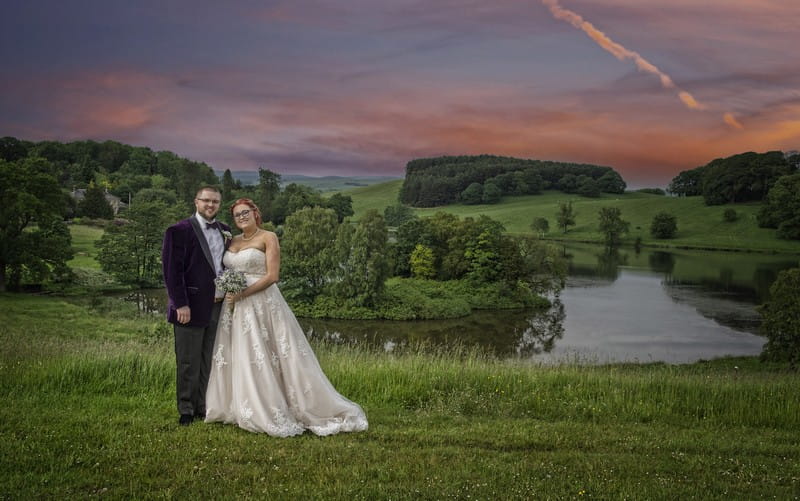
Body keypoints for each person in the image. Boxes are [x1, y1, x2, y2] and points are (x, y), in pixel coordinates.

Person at [205, 198, 368, 436]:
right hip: (234, 307)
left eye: (245, 212)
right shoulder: (232, 240)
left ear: (255, 212)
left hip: (261, 302)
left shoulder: (268, 237)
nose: (241, 217)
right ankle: (238, 406)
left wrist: (243, 294)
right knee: (240, 352)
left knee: (270, 353)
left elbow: (272, 276)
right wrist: (226, 293)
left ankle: (275, 407)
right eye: (237, 215)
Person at [162, 186, 231, 426]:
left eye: (215, 202)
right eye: (206, 201)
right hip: (189, 307)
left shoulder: (225, 230)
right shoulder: (178, 230)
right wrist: (180, 303)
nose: (210, 205)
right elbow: (172, 272)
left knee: (209, 359)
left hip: (218, 305)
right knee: (188, 360)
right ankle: (186, 410)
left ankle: (204, 406)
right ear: (196, 201)